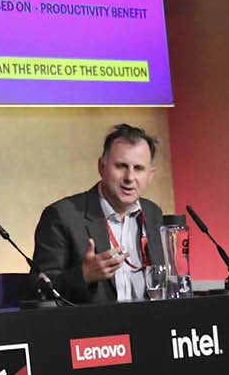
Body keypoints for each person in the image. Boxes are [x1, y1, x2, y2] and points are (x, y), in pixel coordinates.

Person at [31, 123, 169, 304]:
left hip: (150, 319)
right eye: (121, 166)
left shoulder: (153, 214)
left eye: (138, 168)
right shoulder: (62, 216)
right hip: (95, 322)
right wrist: (83, 275)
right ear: (101, 167)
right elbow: (38, 290)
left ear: (150, 175)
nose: (129, 178)